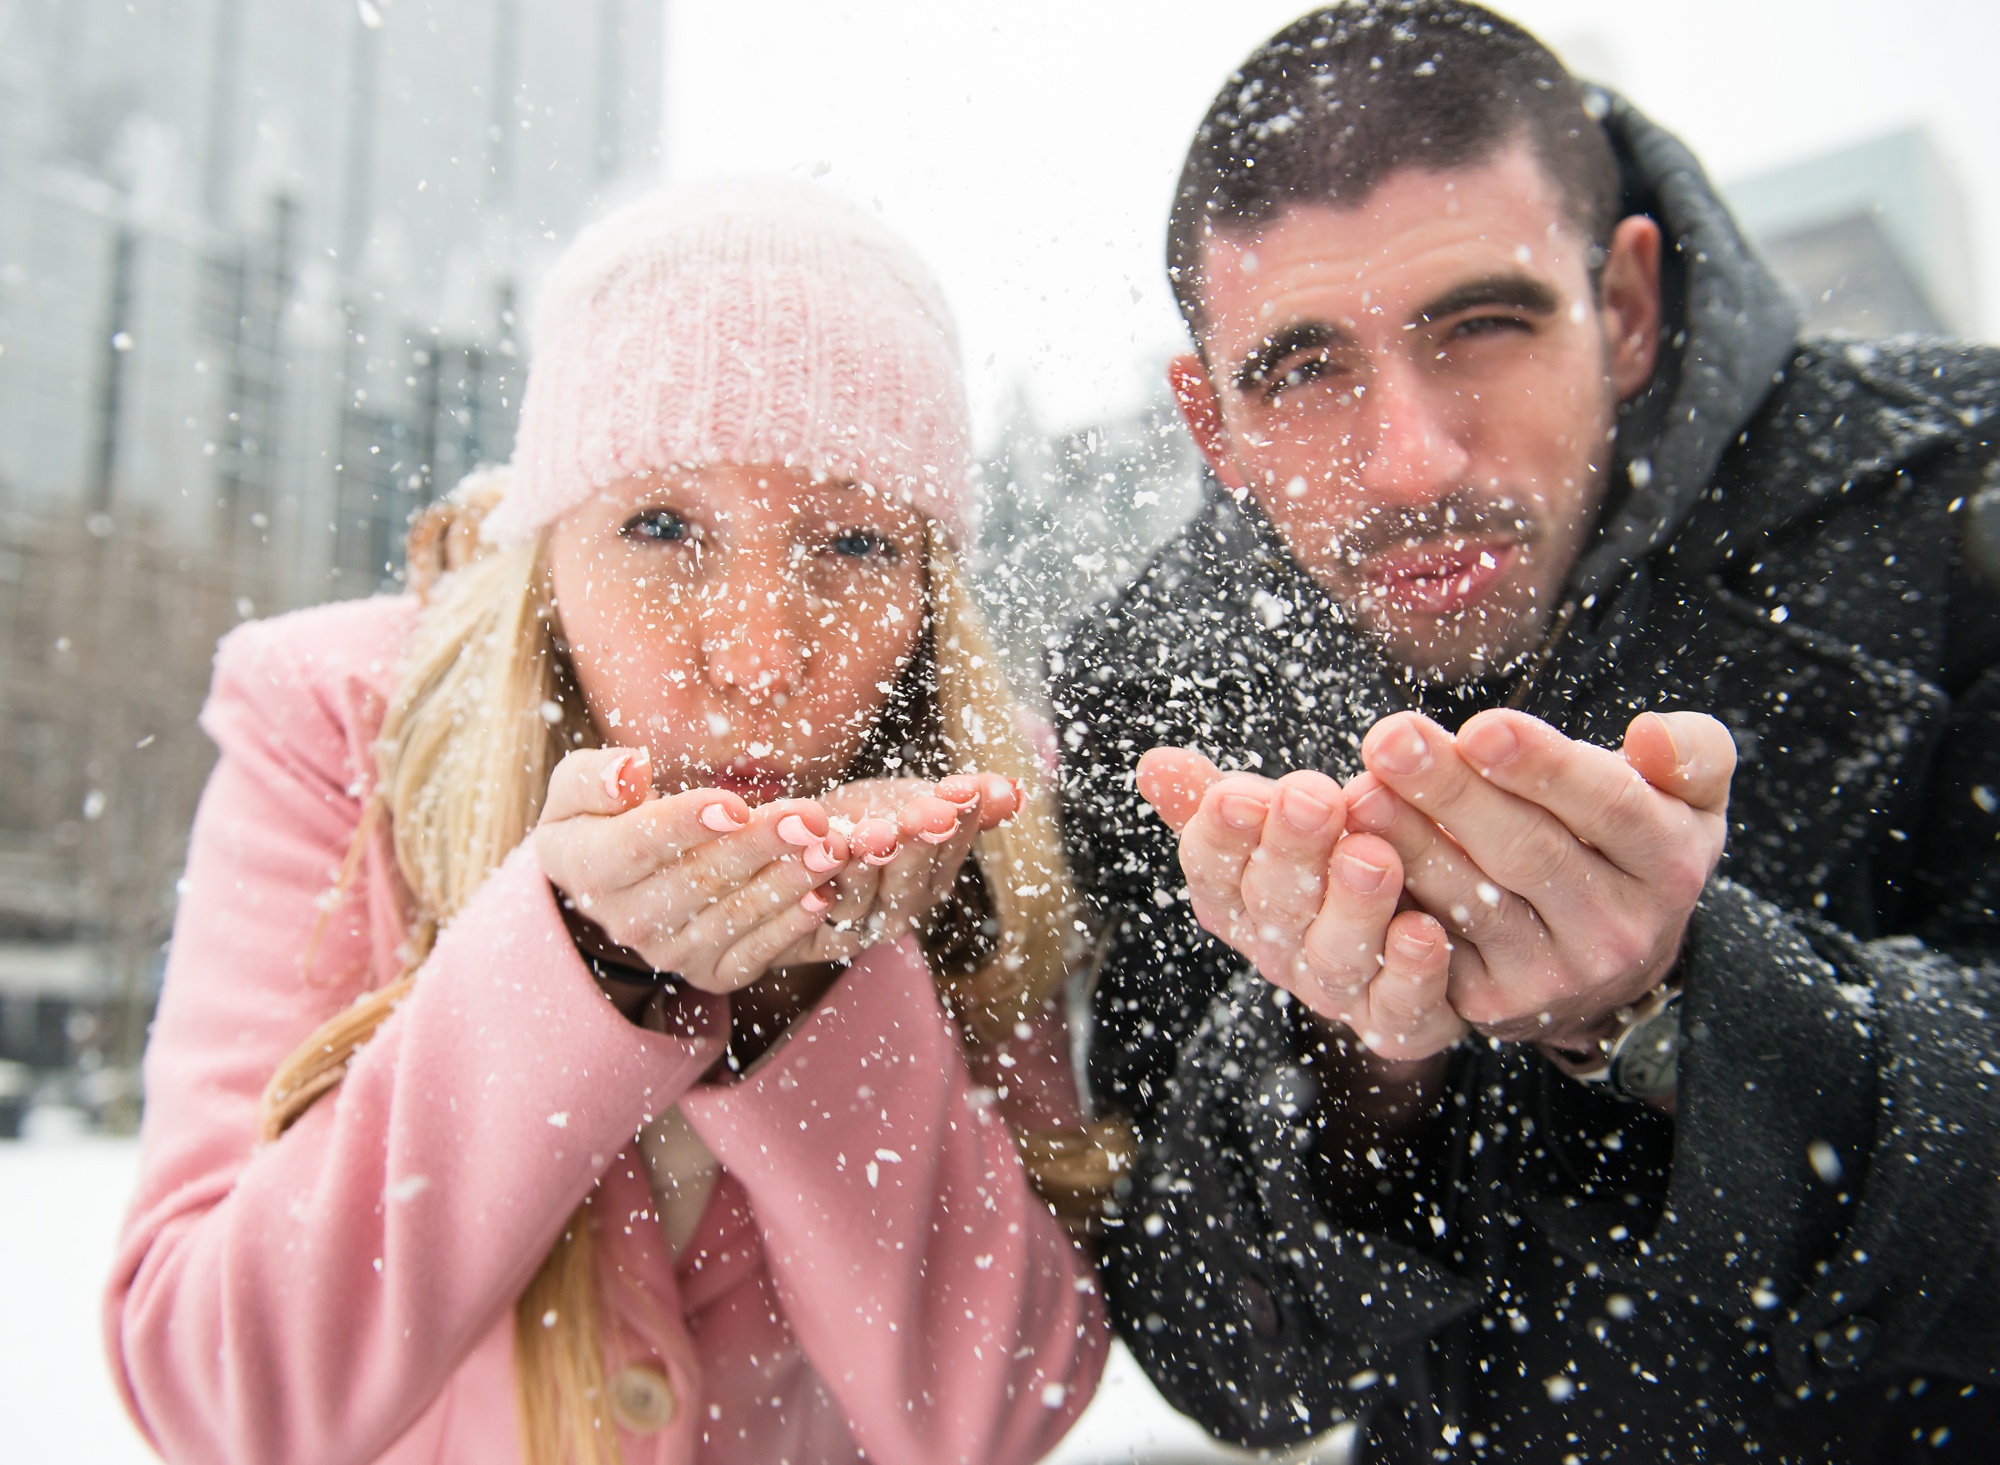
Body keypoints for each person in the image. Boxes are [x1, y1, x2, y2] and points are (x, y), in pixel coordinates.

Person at [1054, 4, 2000, 1461]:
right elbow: (1218, 1363)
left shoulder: (1957, 506)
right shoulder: (1158, 687)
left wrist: (1684, 1016)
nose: (1410, 457)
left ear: (1625, 304)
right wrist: (1359, 1069)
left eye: (1482, 326)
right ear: (1209, 421)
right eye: (1303, 370)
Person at [104, 179, 1113, 1465]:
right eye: (661, 524)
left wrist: (818, 990)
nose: (760, 653)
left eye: (853, 544)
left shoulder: (971, 806)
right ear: (548, 550)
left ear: (929, 593)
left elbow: (999, 1412)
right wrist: (578, 957)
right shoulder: (335, 737)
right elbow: (221, 1387)